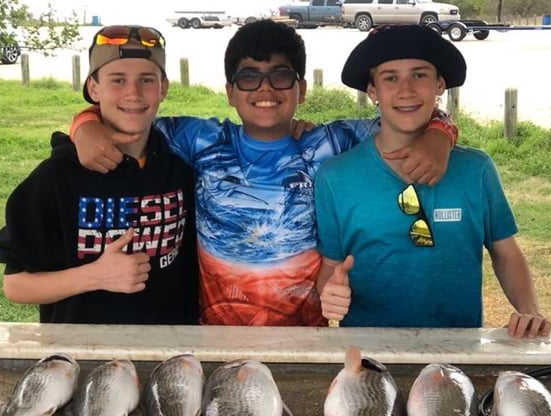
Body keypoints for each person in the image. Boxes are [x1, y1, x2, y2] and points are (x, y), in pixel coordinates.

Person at [70, 20, 458, 327]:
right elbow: (132, 119)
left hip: (306, 337)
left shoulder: (329, 142)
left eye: (281, 76)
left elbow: (404, 117)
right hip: (216, 333)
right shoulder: (202, 140)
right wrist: (84, 124)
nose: (265, 88)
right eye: (249, 77)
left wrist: (440, 133)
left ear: (302, 89)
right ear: (230, 91)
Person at [315, 25, 551, 338]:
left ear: (439, 84)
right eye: (390, 78)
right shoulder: (335, 178)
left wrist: (528, 311)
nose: (406, 90)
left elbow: (505, 251)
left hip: (459, 351)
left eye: (420, 75)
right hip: (367, 352)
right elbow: (331, 266)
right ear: (372, 91)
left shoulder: (476, 169)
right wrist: (329, 292)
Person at [0, 25, 199, 324]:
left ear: (163, 88)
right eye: (118, 80)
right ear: (93, 88)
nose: (133, 93)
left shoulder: (180, 166)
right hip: (83, 353)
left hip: (171, 352)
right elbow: (15, 285)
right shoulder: (58, 177)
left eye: (146, 79)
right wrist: (95, 276)